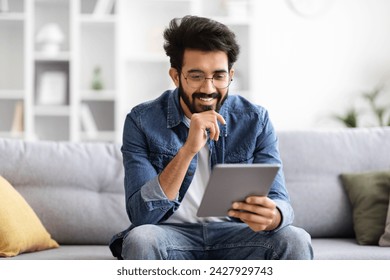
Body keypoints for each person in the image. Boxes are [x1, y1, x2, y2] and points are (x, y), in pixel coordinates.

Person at [109, 15, 313, 260]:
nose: (208, 88)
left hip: (236, 234)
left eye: (219, 76)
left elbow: (281, 201)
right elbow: (142, 216)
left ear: (230, 74)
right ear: (176, 76)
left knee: (295, 238)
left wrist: (274, 216)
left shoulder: (255, 120)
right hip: (169, 234)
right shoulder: (141, 121)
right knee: (141, 240)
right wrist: (188, 150)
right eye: (196, 76)